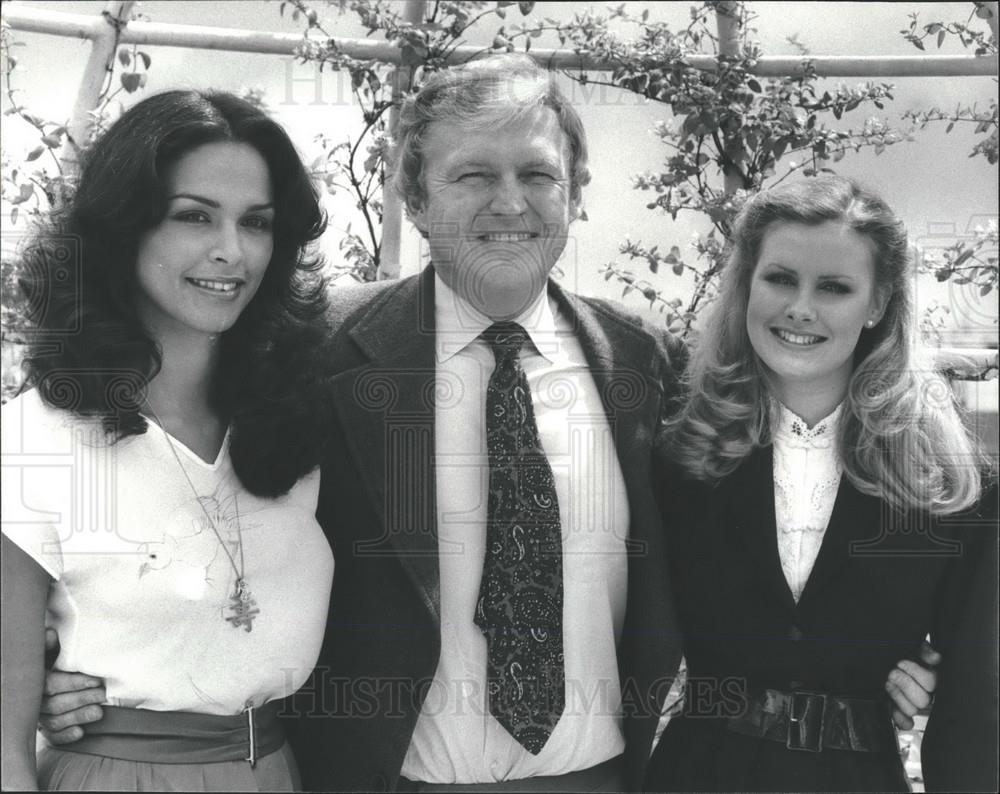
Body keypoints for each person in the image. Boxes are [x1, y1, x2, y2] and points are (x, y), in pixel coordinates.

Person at [33, 59, 939, 792]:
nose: (510, 204)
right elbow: (174, 491)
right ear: (416, 199)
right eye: (473, 175)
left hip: (601, 777)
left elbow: (762, 515)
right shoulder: (313, 358)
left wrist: (891, 653)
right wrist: (66, 658)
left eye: (537, 174)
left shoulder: (642, 364)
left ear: (575, 191)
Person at [1, 90, 334, 791]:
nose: (231, 251)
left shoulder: (298, 420)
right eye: (194, 216)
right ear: (124, 228)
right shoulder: (34, 439)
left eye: (257, 223)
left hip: (276, 770)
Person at [644, 176, 998, 792]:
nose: (800, 308)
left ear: (878, 304)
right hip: (699, 775)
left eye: (834, 287)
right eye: (780, 278)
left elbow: (978, 688)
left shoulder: (947, 479)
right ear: (747, 285)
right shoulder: (676, 446)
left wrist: (943, 682)